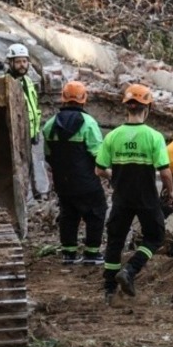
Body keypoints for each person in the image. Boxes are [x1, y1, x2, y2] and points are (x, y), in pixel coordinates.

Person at [95, 84, 173, 304]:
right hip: (146, 198)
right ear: (147, 108)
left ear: (126, 108)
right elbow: (165, 172)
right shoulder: (154, 137)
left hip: (121, 198)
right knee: (155, 237)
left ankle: (109, 290)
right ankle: (130, 270)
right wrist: (171, 191)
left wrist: (113, 175)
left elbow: (99, 169)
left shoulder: (113, 136)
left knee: (115, 242)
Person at [43, 81, 106, 265]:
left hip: (63, 183)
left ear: (63, 99)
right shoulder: (89, 123)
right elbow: (98, 155)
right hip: (86, 182)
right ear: (84, 99)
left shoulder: (49, 125)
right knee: (96, 212)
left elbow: (48, 156)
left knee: (68, 214)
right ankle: (91, 253)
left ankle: (69, 253)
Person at [6, 43, 42, 144]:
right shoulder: (5, 83)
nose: (22, 65)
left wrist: (36, 131)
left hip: (28, 136)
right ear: (10, 63)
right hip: (16, 138)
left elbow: (35, 109)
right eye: (18, 62)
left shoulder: (28, 81)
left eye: (24, 61)